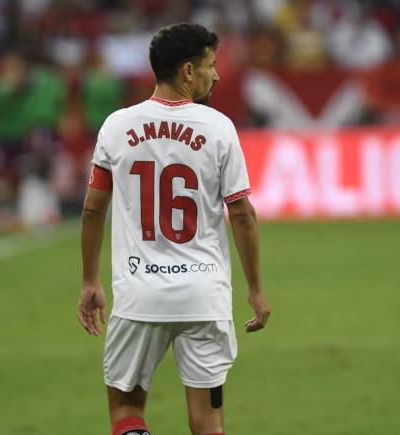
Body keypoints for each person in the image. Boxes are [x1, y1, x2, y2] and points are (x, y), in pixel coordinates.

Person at [77, 23, 271, 435]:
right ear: (187, 71)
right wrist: (255, 288)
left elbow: (93, 211)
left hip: (138, 294)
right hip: (204, 297)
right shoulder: (218, 128)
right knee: (208, 421)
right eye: (210, 65)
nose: (215, 75)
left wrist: (90, 279)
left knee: (126, 408)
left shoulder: (117, 127)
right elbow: (241, 214)